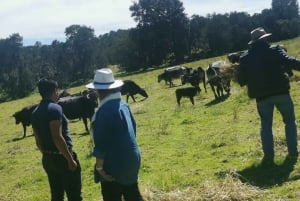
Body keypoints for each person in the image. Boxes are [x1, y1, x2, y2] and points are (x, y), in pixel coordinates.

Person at [237, 27, 300, 163]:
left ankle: (269, 157)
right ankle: (293, 153)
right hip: (281, 92)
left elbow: (241, 80)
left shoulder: (245, 58)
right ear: (265, 38)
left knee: (265, 126)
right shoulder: (275, 50)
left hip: (261, 97)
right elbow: (290, 61)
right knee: (290, 122)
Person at [86, 68, 144, 201]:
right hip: (132, 159)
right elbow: (133, 129)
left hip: (115, 165)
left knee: (111, 196)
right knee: (132, 194)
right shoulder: (123, 105)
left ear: (97, 91)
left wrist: (100, 169)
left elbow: (101, 145)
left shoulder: (102, 113)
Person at [31, 78, 82, 201]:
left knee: (57, 195)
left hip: (48, 159)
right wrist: (69, 159)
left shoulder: (35, 112)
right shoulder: (55, 108)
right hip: (62, 158)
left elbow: (38, 140)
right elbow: (57, 137)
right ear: (54, 91)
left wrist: (47, 155)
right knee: (74, 195)